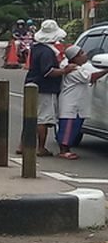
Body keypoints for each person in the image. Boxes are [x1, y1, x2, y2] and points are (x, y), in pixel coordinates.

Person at [20, 19, 76, 157]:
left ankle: (23, 145)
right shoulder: (47, 52)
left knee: (31, 116)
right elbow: (48, 71)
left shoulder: (37, 48)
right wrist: (65, 71)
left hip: (32, 84)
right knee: (43, 119)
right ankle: (41, 148)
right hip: (45, 87)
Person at [57, 46, 108, 159]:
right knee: (68, 125)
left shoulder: (82, 67)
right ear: (75, 58)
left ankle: (67, 148)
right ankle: (63, 150)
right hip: (70, 102)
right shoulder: (73, 69)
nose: (85, 54)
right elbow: (91, 77)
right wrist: (106, 70)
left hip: (78, 103)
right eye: (81, 53)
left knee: (75, 125)